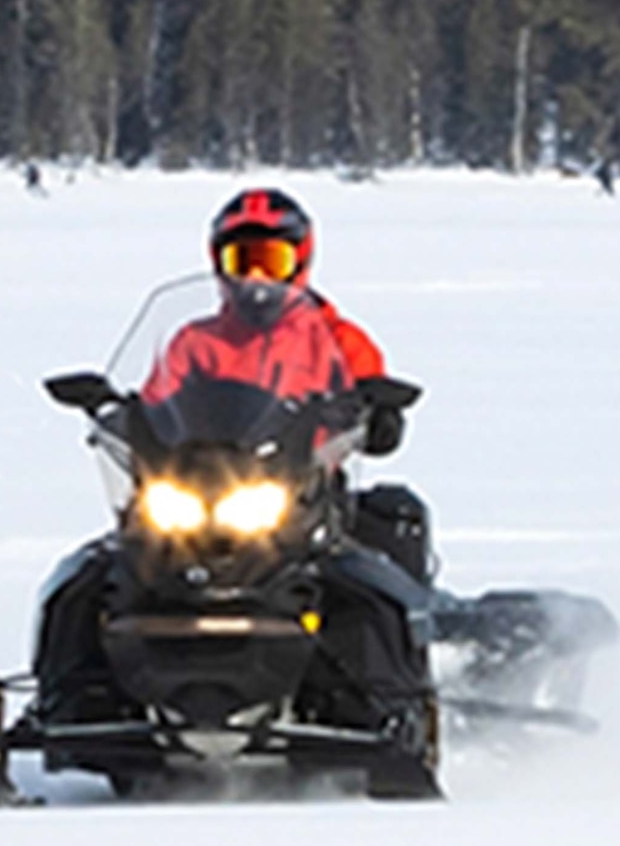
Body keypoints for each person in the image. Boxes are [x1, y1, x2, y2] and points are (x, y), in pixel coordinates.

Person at [33, 183, 435, 754]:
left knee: (358, 582)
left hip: (298, 493)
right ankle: (65, 702)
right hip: (195, 492)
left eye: (270, 261)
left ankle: (392, 703)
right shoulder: (193, 341)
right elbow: (158, 407)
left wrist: (375, 408)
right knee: (92, 575)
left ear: (300, 262)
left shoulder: (336, 339)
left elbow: (369, 402)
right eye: (239, 260)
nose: (254, 278)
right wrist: (119, 416)